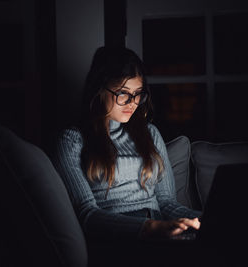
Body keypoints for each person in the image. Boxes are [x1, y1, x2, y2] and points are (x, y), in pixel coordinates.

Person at [53, 46, 205, 266]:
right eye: (123, 93)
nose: (133, 102)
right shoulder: (73, 140)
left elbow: (166, 202)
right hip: (118, 241)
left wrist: (203, 219)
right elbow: (87, 215)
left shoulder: (150, 134)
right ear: (100, 89)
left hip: (162, 234)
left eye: (138, 94)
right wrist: (150, 228)